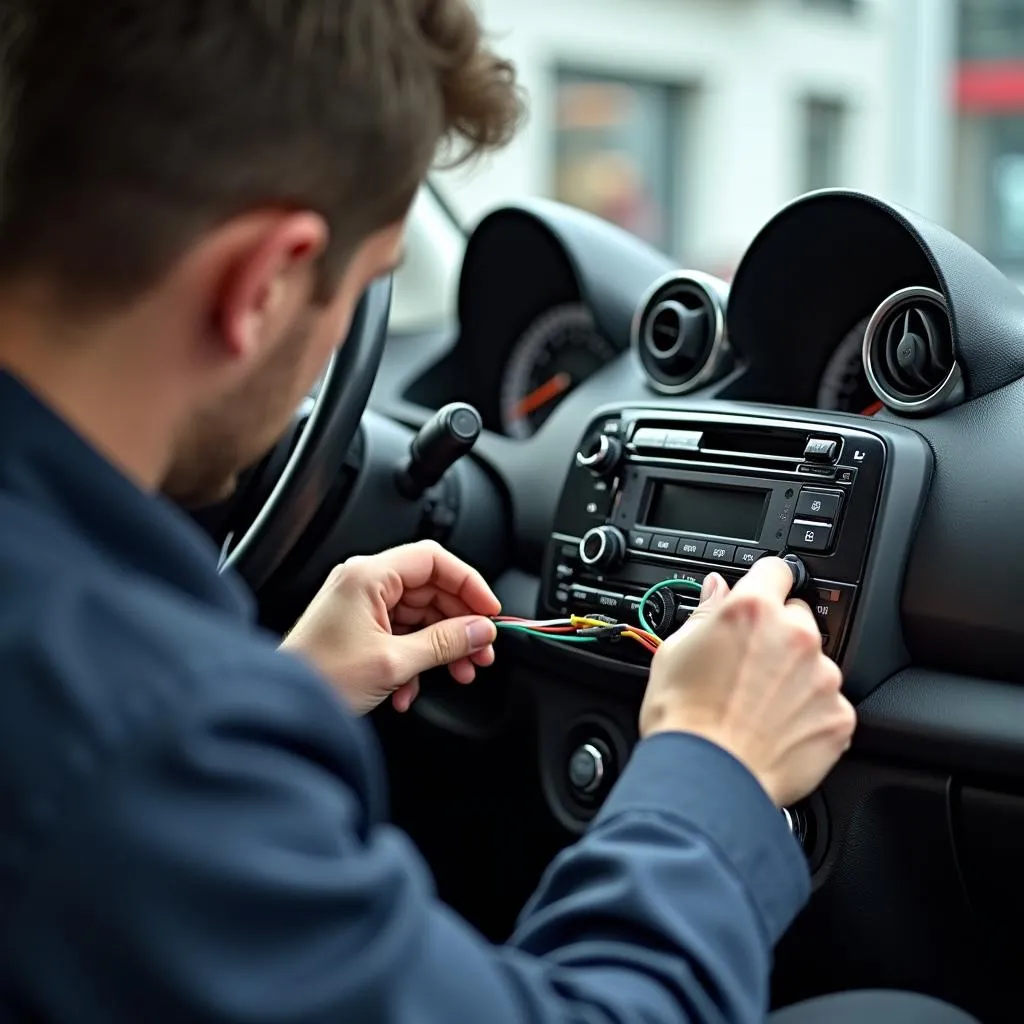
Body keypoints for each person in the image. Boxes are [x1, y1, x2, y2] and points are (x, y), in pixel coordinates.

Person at [0, 2, 979, 1023]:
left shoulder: (99, 682)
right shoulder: (139, 730)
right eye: (365, 285)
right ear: (265, 285)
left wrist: (283, 691)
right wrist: (716, 766)